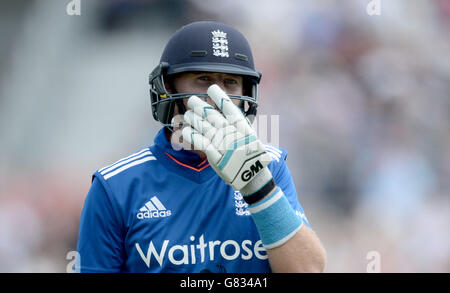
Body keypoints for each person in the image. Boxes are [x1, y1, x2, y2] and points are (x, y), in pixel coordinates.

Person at [76, 21, 326, 273]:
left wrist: (259, 188)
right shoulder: (115, 186)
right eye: (203, 79)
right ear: (168, 88)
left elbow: (308, 270)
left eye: (230, 82)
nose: (217, 97)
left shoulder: (270, 164)